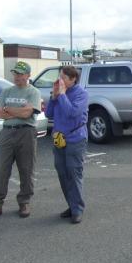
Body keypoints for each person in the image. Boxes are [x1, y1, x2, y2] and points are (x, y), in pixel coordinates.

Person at [0, 61, 42, 222]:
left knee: (26, 169)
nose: (17, 76)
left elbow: (27, 115)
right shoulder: (6, 91)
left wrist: (9, 110)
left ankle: (24, 202)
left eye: (20, 74)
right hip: (7, 133)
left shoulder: (33, 92)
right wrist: (19, 111)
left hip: (26, 133)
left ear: (28, 75)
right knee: (1, 170)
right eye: (15, 73)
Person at [45, 66, 89, 224]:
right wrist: (54, 97)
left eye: (64, 78)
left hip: (75, 139)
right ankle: (71, 205)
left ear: (73, 79)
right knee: (62, 173)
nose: (60, 80)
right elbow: (48, 114)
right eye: (60, 77)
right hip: (59, 138)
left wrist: (62, 95)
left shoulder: (81, 94)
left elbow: (72, 113)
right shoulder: (59, 93)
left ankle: (77, 209)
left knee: (73, 172)